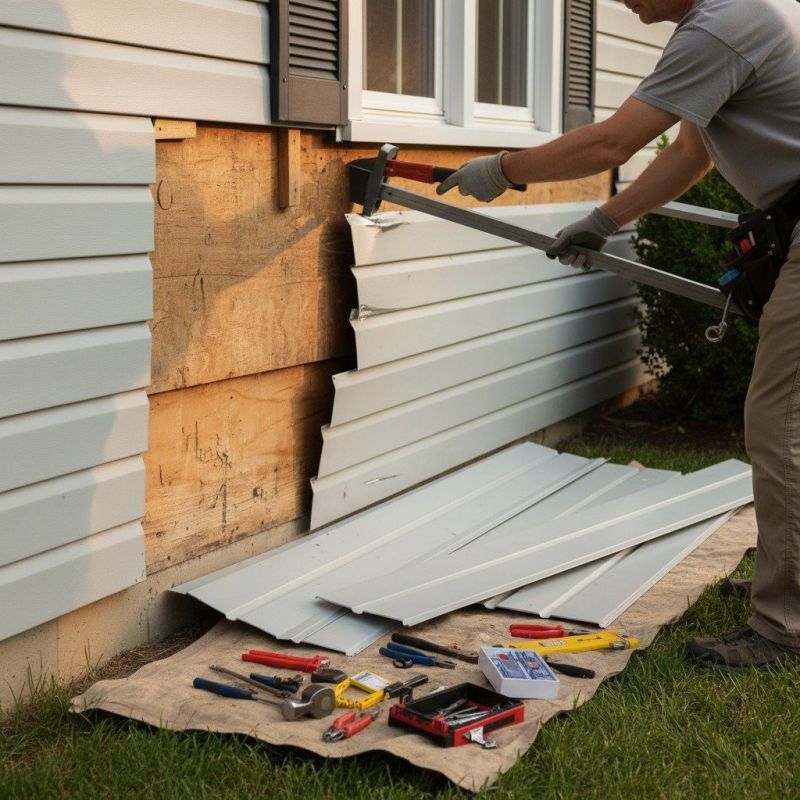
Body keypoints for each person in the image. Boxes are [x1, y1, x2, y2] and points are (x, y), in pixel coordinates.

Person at [437, 0, 800, 670]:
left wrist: (501, 170)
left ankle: (785, 628)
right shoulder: (731, 20)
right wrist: (605, 219)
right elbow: (692, 154)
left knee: (779, 425)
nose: (620, 1)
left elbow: (612, 144)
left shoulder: (722, 26)